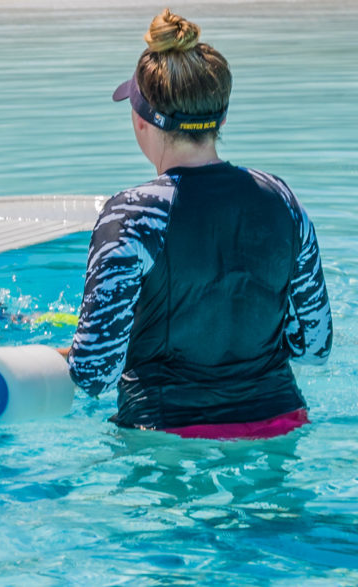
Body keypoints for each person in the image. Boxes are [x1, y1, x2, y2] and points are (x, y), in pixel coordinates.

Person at [64, 9, 333, 439]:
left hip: (167, 434)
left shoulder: (133, 216)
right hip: (280, 422)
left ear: (140, 118)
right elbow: (315, 346)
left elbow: (95, 373)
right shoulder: (282, 201)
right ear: (221, 119)